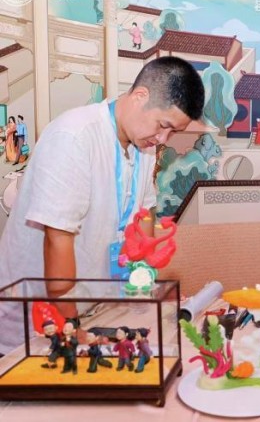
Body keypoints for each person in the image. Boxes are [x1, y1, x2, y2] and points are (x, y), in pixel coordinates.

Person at [0, 56, 205, 356]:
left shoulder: (145, 146)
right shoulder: (74, 137)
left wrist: (145, 273)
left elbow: (144, 215)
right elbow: (57, 240)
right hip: (32, 329)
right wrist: (72, 329)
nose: (163, 138)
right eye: (163, 125)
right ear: (140, 96)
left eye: (173, 132)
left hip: (92, 312)